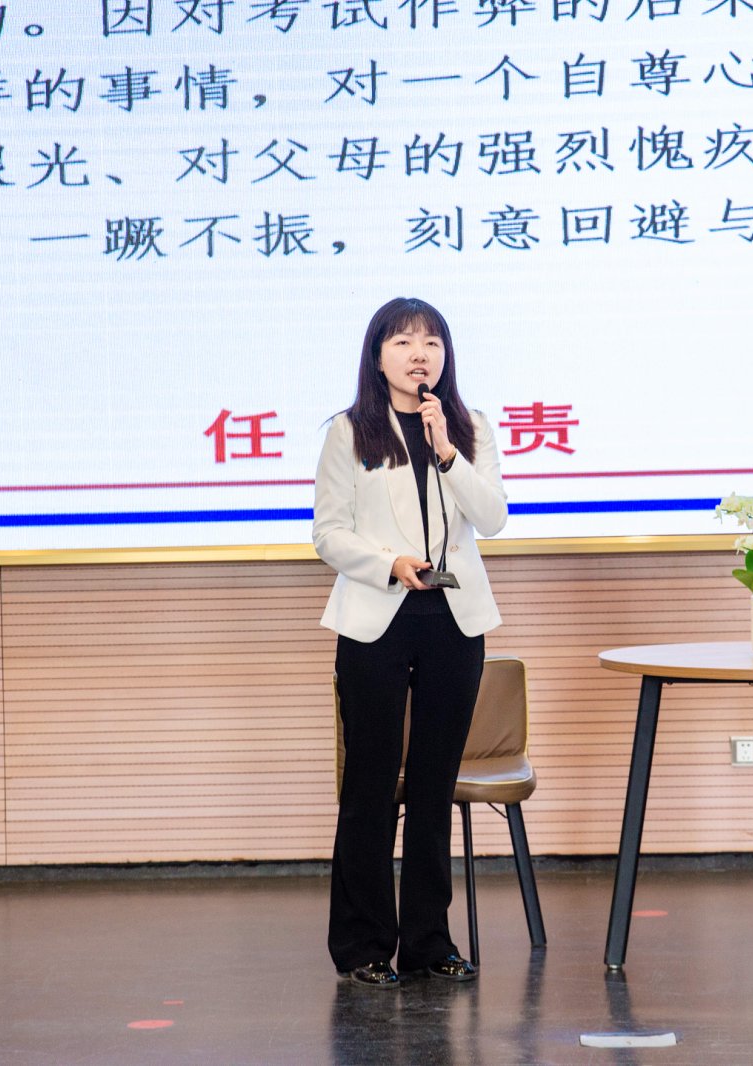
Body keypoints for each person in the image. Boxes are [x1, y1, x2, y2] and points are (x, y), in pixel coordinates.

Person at [314, 297, 508, 989]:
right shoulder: (350, 431)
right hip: (378, 616)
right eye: (402, 342)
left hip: (454, 620)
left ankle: (429, 944)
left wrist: (448, 452)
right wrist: (389, 563)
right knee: (370, 784)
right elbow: (328, 533)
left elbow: (494, 517)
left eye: (431, 342)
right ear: (377, 357)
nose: (419, 354)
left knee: (433, 787)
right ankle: (363, 947)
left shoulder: (469, 427)